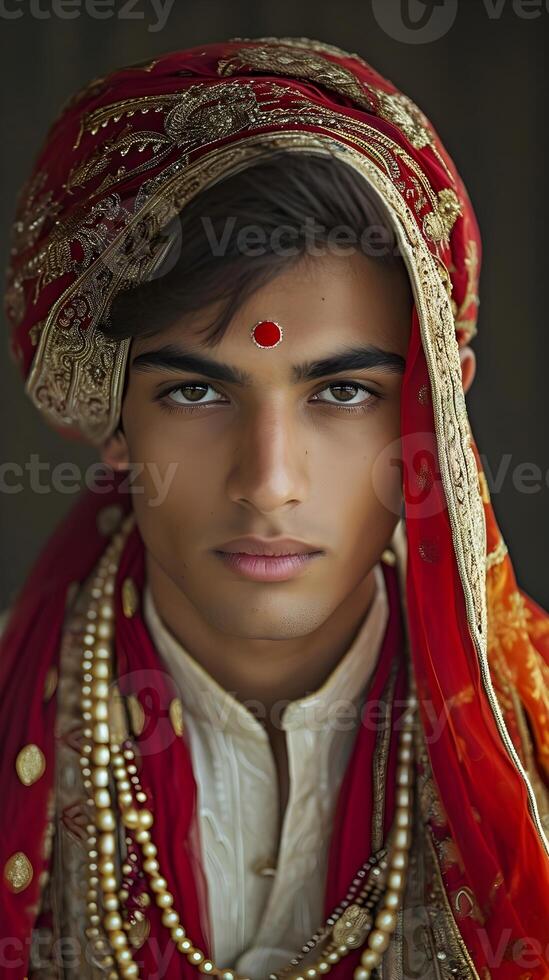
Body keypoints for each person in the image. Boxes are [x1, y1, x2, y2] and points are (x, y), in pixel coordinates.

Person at [0, 36, 547, 980]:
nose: (269, 481)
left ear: (433, 418)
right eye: (198, 394)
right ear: (111, 416)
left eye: (340, 394)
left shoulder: (531, 746)